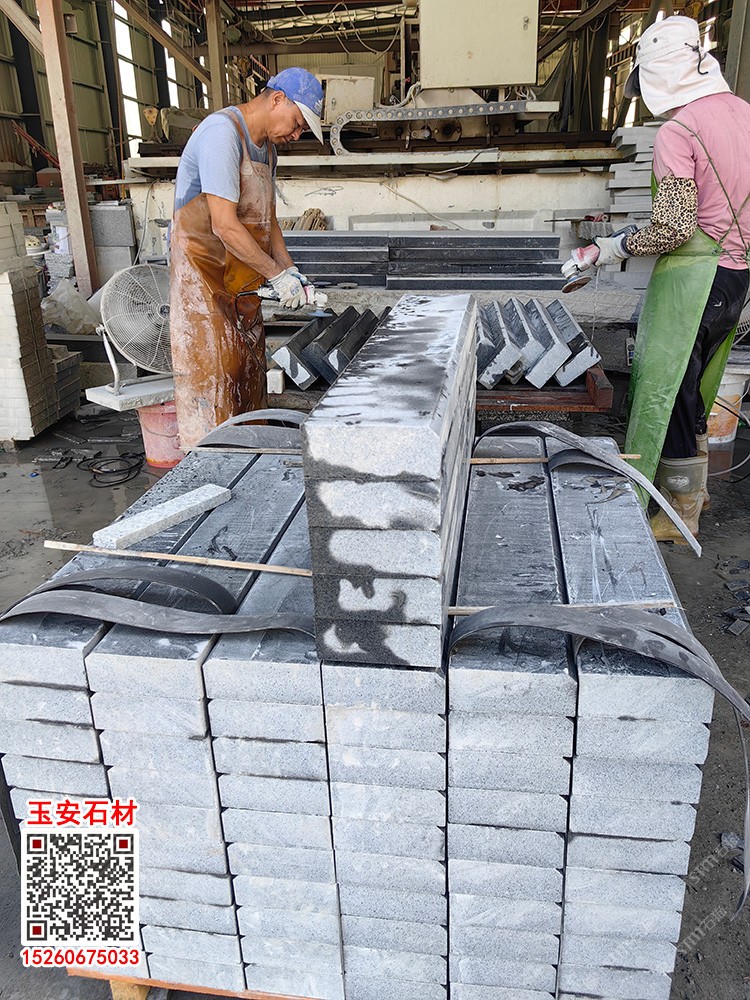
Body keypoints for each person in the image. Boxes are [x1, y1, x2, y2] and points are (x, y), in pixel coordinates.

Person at [592, 15, 750, 541]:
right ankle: (696, 492)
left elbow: (675, 228)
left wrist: (613, 247)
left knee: (671, 390)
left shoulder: (679, 133)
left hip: (694, 283)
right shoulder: (744, 114)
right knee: (695, 387)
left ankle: (680, 513)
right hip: (736, 278)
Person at [169, 68, 325, 450]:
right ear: (278, 100)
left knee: (249, 379)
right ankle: (211, 466)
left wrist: (291, 272)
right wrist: (276, 276)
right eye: (298, 123)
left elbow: (268, 222)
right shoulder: (222, 134)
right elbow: (224, 225)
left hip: (242, 284)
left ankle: (253, 459)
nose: (297, 134)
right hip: (205, 284)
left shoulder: (268, 151)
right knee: (216, 382)